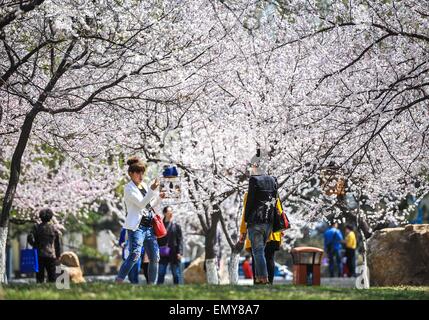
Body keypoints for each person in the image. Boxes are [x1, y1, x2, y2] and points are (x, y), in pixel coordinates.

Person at [116, 156, 162, 284]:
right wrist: (152, 190)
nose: (140, 175)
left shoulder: (144, 186)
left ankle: (152, 286)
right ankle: (118, 281)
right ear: (131, 173)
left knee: (154, 257)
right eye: (138, 172)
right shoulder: (128, 188)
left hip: (149, 226)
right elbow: (141, 204)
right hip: (137, 227)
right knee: (134, 255)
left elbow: (149, 204)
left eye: (142, 172)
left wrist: (159, 197)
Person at [239, 149, 277, 285]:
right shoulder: (273, 180)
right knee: (261, 251)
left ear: (255, 166)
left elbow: (249, 204)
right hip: (269, 222)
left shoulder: (254, 180)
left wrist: (247, 221)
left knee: (258, 252)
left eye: (252, 166)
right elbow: (275, 202)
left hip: (255, 222)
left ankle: (263, 278)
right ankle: (262, 278)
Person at [240, 192, 282, 284]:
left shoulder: (249, 194)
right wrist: (280, 230)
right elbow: (279, 212)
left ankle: (258, 283)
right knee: (270, 258)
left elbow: (245, 214)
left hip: (255, 231)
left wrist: (243, 231)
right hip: (272, 232)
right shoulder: (274, 192)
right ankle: (269, 283)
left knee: (256, 257)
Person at [27, 208, 62, 283]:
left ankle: (39, 289)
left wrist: (34, 244)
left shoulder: (36, 227)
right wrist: (58, 255)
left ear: (40, 217)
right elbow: (57, 243)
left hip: (39, 254)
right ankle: (51, 289)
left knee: (40, 276)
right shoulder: (54, 228)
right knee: (52, 275)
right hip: (51, 255)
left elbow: (29, 238)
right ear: (50, 217)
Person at [157, 206, 183, 285]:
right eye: (169, 211)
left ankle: (177, 289)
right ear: (164, 213)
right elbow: (156, 238)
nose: (171, 213)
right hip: (162, 252)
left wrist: (180, 252)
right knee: (161, 272)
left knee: (176, 273)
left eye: (172, 211)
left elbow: (180, 240)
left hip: (174, 252)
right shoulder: (160, 225)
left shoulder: (176, 225)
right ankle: (158, 289)